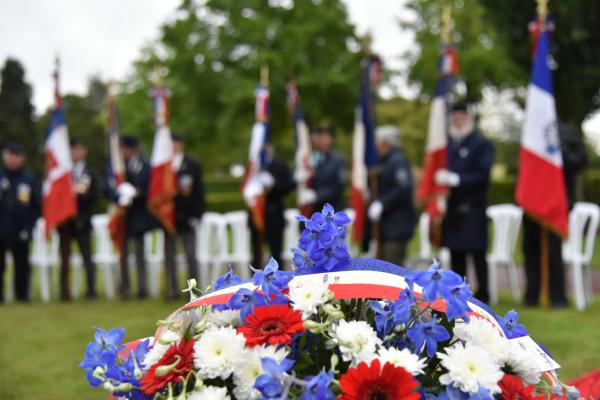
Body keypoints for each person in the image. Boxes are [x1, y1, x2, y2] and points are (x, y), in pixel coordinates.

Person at [522, 120, 588, 307]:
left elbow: (580, 162)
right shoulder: (530, 131)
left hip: (557, 202)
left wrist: (560, 153)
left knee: (553, 250)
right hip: (532, 202)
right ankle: (532, 295)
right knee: (530, 249)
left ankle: (557, 296)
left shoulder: (567, 132)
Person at [437, 103, 494, 303]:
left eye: (461, 116)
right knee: (456, 255)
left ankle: (484, 293)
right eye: (455, 117)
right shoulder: (450, 146)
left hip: (474, 208)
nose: (458, 120)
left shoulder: (481, 144)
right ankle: (458, 293)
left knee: (477, 254)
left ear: (469, 118)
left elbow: (483, 176)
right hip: (453, 210)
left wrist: (457, 179)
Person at [115, 135, 157, 299]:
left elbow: (150, 189)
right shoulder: (118, 167)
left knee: (140, 254)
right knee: (123, 254)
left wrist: (137, 193)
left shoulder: (145, 166)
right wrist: (119, 194)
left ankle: (142, 288)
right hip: (123, 216)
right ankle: (124, 287)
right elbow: (108, 187)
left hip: (138, 215)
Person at [164, 134, 205, 299]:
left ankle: (193, 291)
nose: (174, 146)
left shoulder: (191, 164)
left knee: (190, 255)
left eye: (176, 143)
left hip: (187, 216)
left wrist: (197, 214)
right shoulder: (164, 166)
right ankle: (171, 289)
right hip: (170, 217)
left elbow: (199, 191)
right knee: (169, 256)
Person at [367, 126, 416, 265]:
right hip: (387, 227)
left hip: (396, 226)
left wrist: (383, 203)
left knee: (392, 268)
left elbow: (404, 188)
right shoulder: (384, 161)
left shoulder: (397, 160)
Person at [57, 139, 98, 300]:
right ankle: (64, 291)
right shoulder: (62, 172)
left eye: (79, 149)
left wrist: (75, 197)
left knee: (87, 257)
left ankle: (91, 290)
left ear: (84, 152)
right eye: (73, 149)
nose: (76, 152)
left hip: (83, 220)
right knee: (64, 258)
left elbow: (94, 196)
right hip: (65, 222)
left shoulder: (90, 172)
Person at [0, 143, 40, 302]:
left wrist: (28, 228)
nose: (12, 160)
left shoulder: (28, 178)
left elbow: (36, 206)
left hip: (21, 228)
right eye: (9, 156)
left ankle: (22, 295)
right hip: (1, 227)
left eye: (16, 156)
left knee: (22, 264)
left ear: (22, 158)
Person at [249, 145, 294, 267]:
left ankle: (279, 283)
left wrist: (273, 184)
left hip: (275, 215)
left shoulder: (279, 165)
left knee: (276, 254)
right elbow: (246, 190)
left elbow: (289, 186)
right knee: (256, 255)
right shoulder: (252, 167)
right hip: (257, 216)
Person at [298, 126, 348, 213]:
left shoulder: (338, 161)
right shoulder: (307, 159)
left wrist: (316, 195)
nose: (323, 141)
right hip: (311, 212)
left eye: (325, 137)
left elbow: (339, 186)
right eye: (318, 138)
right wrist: (296, 175)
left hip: (331, 212)